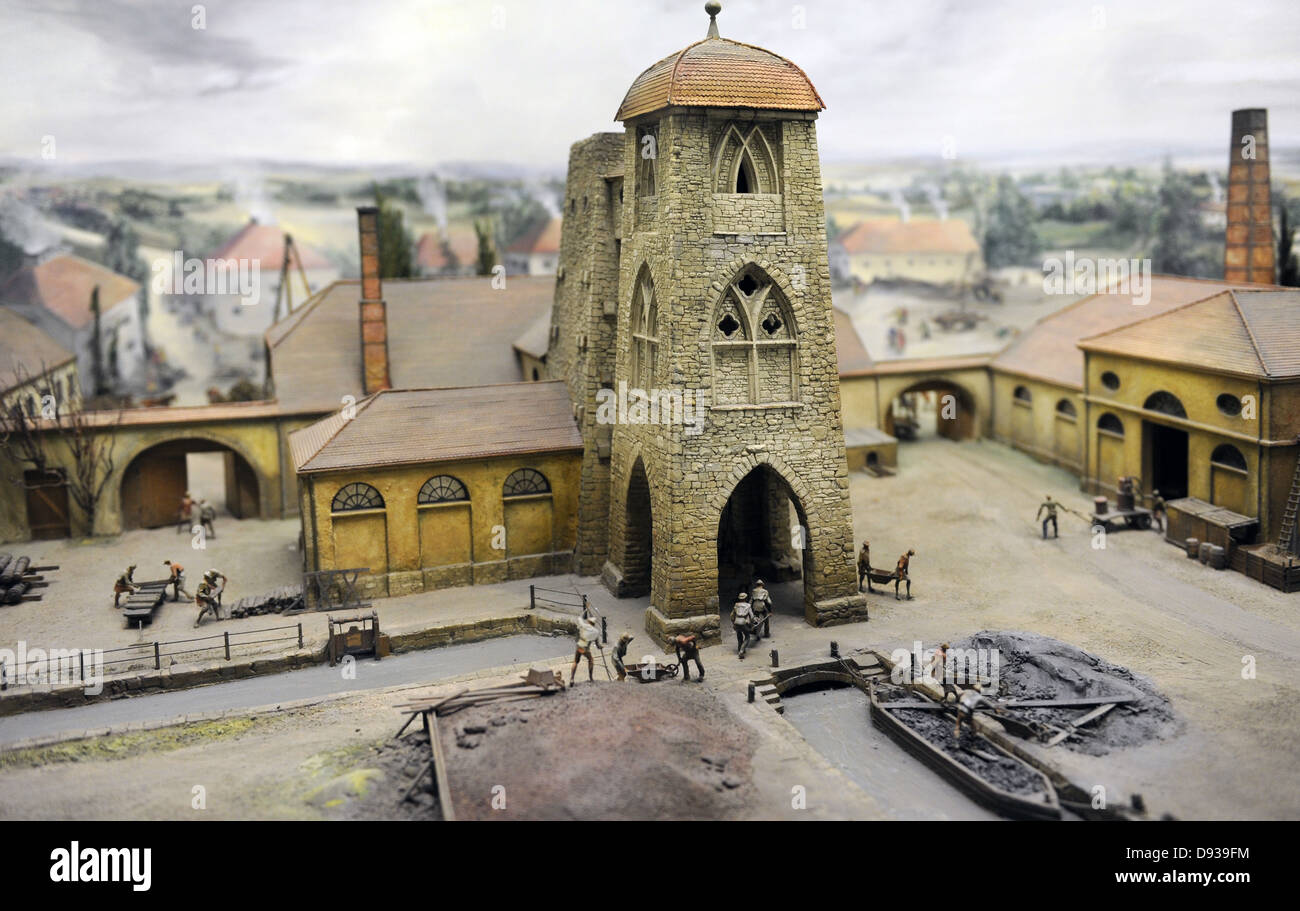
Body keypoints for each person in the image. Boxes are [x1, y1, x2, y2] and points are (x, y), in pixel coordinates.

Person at [569, 611, 601, 684]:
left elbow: (579, 618)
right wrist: (601, 647)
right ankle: (591, 677)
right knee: (591, 660)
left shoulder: (584, 625)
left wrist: (584, 612)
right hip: (585, 649)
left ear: (588, 622)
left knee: (575, 662)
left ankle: (572, 678)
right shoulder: (596, 632)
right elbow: (598, 645)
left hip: (579, 646)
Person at [729, 591, 755, 659]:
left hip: (737, 622)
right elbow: (752, 617)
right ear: (745, 598)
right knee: (747, 637)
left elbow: (731, 615)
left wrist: (733, 623)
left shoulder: (736, 605)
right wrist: (751, 624)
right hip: (743, 622)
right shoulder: (748, 605)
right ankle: (741, 650)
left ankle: (739, 648)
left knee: (739, 635)